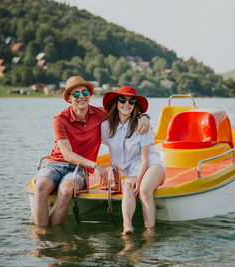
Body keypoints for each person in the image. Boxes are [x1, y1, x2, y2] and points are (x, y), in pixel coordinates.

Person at [34, 76, 151, 226]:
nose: (81, 96)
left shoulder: (101, 114)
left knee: (66, 190)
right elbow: (66, 154)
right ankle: (42, 238)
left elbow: (125, 111)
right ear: (69, 99)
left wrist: (145, 117)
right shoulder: (60, 119)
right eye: (76, 94)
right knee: (40, 186)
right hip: (55, 164)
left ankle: (53, 236)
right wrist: (95, 165)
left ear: (89, 95)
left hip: (80, 169)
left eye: (84, 92)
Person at [101, 86, 165, 234]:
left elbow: (145, 158)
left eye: (131, 101)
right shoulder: (105, 127)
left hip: (150, 165)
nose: (126, 104)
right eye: (122, 99)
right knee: (128, 187)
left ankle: (150, 231)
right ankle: (127, 226)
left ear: (135, 105)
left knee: (144, 190)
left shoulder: (141, 125)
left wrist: (139, 177)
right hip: (129, 171)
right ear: (116, 102)